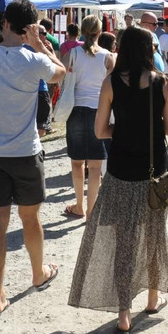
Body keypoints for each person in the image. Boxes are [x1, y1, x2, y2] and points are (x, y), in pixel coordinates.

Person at [68, 26, 168, 334]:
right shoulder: (161, 83)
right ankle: (153, 298)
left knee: (124, 242)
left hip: (120, 171)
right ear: (147, 50)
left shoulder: (111, 83)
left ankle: (123, 313)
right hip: (154, 170)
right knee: (154, 235)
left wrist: (124, 130)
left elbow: (101, 131)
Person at [0, 0, 66, 316]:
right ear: (30, 27)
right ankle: (38, 273)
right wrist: (41, 44)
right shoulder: (34, 60)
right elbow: (60, 73)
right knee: (30, 218)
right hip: (26, 151)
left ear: (4, 23)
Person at [64, 15, 115, 219]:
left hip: (76, 109)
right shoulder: (108, 56)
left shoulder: (72, 54)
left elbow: (62, 78)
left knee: (77, 163)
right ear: (100, 32)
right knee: (95, 166)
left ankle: (79, 205)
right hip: (99, 110)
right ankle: (92, 210)